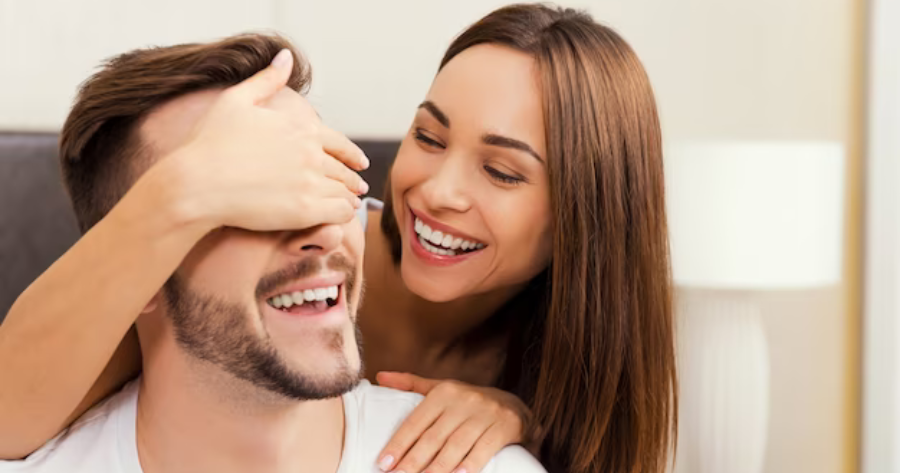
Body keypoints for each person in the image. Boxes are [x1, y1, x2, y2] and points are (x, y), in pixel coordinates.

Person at [0, 4, 677, 473]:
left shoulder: (551, 381)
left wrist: (522, 419)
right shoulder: (252, 275)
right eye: (428, 136)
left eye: (502, 171)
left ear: (585, 220)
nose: (437, 190)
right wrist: (182, 188)